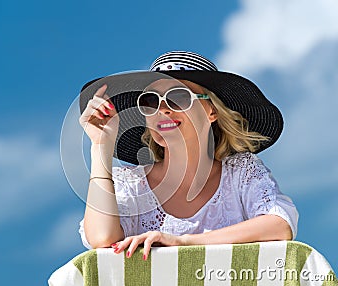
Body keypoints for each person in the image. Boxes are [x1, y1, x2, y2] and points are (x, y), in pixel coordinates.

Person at [77, 51, 298, 261]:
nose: (162, 109)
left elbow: (279, 225)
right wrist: (99, 147)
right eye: (150, 101)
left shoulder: (241, 173)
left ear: (212, 111)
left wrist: (183, 243)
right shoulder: (130, 183)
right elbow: (102, 239)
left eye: (178, 96)